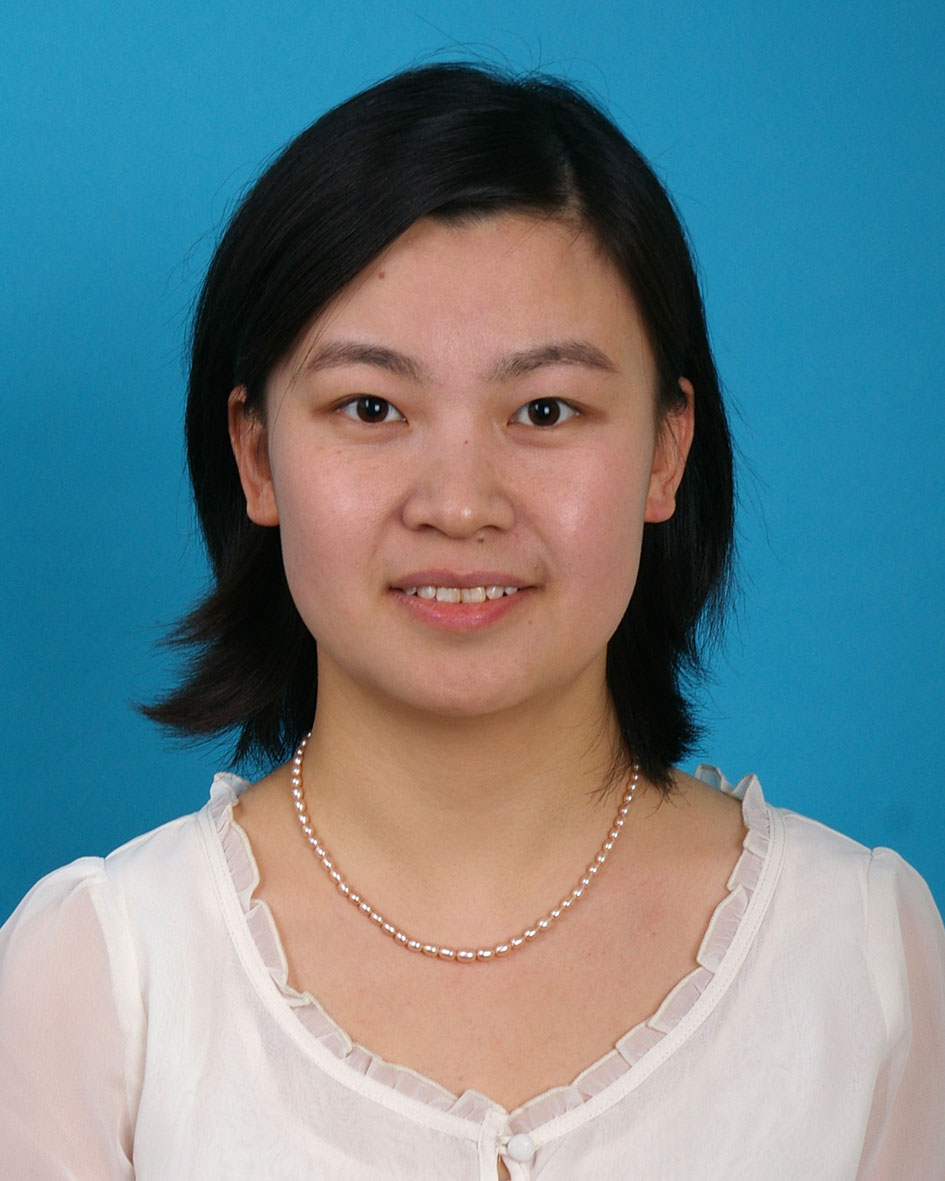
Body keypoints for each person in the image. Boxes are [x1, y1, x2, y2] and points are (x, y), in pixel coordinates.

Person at [1, 62, 943, 1180]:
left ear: (666, 450)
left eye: (545, 409)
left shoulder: (867, 960)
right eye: (370, 407)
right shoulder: (98, 980)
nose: (457, 504)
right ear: (256, 456)